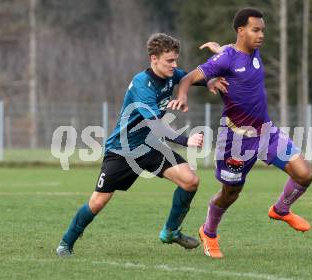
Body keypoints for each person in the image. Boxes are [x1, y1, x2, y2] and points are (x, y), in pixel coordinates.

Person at [56, 33, 227, 256]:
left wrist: (210, 80)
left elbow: (190, 77)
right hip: (122, 150)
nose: (174, 65)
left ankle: (171, 231)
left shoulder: (170, 75)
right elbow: (156, 126)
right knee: (97, 202)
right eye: (169, 61)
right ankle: (65, 243)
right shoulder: (142, 84)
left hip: (150, 147)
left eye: (175, 60)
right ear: (153, 59)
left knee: (190, 181)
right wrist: (187, 141)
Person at [168, 8, 312, 259]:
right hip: (234, 140)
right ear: (241, 31)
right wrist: (182, 96)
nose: (261, 35)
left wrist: (221, 46)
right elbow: (189, 78)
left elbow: (233, 49)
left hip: (266, 133)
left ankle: (280, 210)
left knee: (305, 173)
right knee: (230, 193)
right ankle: (209, 232)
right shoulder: (225, 60)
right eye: (255, 30)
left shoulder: (250, 52)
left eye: (262, 31)